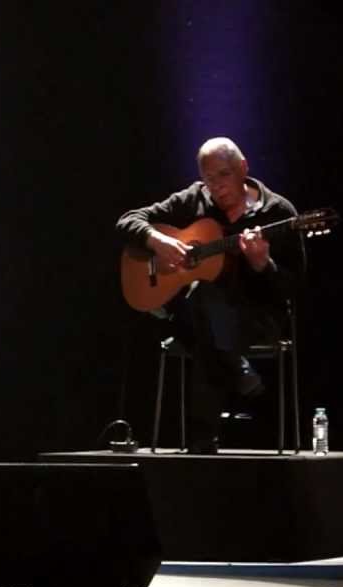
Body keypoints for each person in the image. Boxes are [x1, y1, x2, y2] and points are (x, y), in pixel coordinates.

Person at [116, 137, 302, 453]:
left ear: (243, 168)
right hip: (205, 316)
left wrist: (262, 264)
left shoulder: (277, 212)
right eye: (208, 178)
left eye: (224, 175)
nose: (215, 186)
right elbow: (127, 220)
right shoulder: (195, 199)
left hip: (257, 317)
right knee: (203, 304)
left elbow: (293, 288)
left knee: (194, 306)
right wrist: (157, 240)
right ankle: (233, 375)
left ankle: (204, 433)